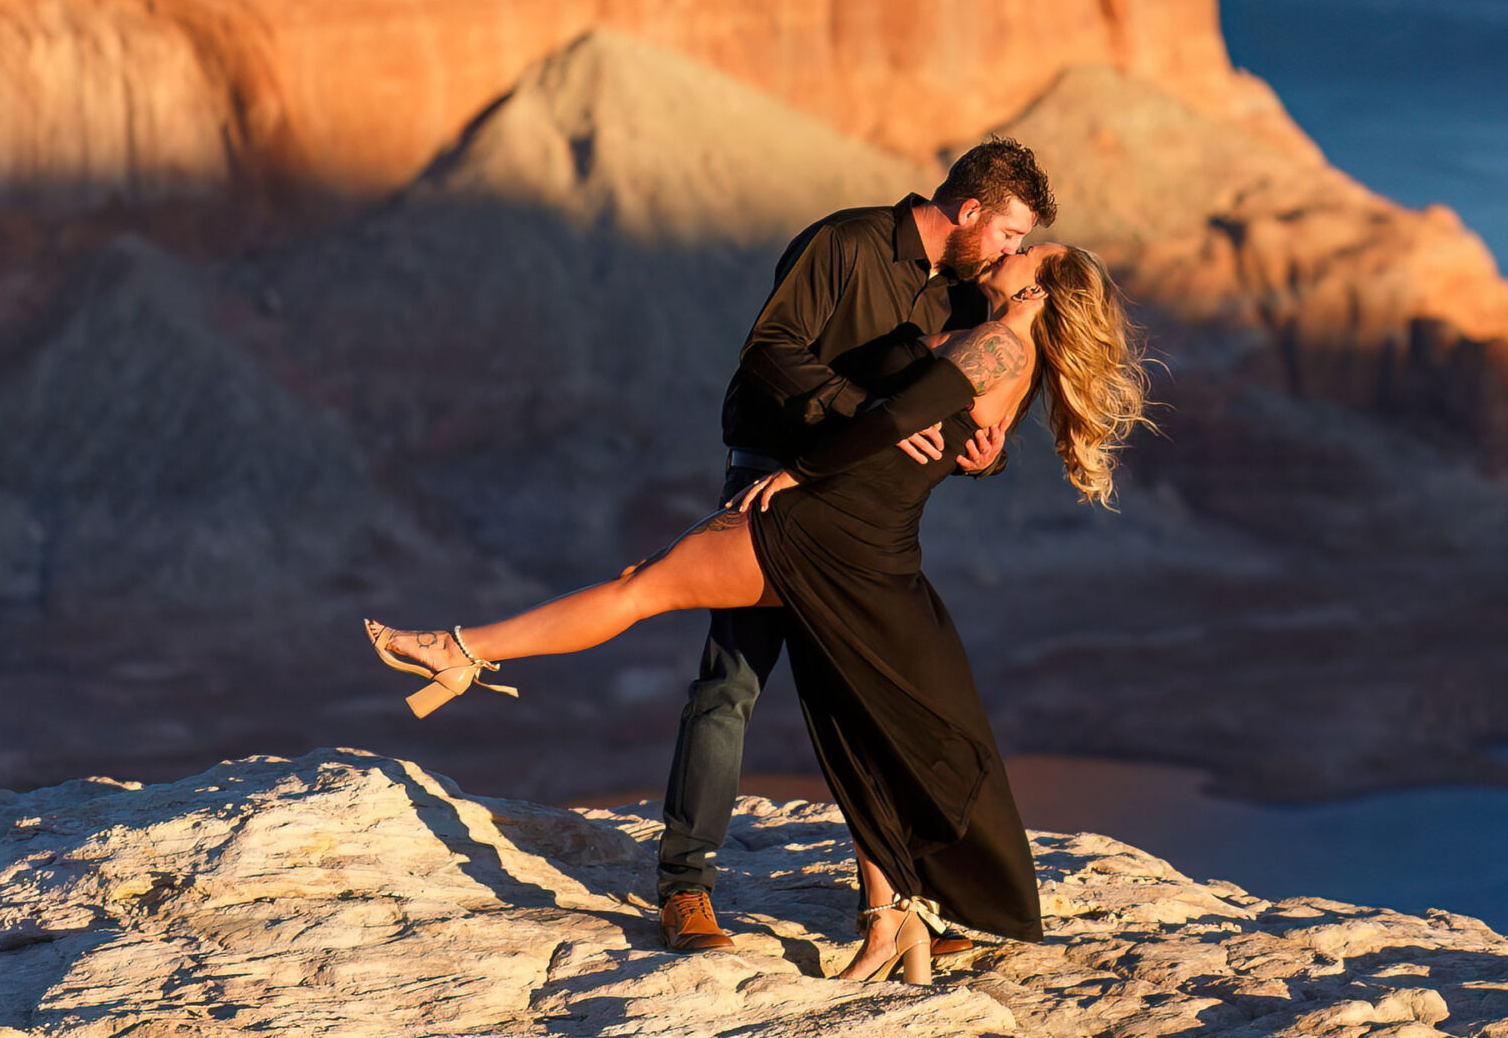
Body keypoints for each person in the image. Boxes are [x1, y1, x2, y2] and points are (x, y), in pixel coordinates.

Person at [364, 244, 1149, 983]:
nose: (1013, 248)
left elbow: (890, 422)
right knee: (852, 728)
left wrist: (797, 474)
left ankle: (458, 650)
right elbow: (943, 421)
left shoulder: (1001, 346)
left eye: (1029, 251)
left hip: (823, 526)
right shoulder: (1008, 353)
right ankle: (892, 917)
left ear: (1037, 289)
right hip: (872, 545)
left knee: (641, 588)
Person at [655, 139, 1053, 956]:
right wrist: (863, 413)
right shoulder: (843, 242)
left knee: (870, 705)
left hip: (863, 518)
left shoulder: (966, 300)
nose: (1011, 254)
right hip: (773, 480)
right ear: (969, 211)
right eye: (1009, 234)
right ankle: (684, 889)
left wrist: (988, 455)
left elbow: (966, 402)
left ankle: (906, 907)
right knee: (731, 682)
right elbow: (768, 353)